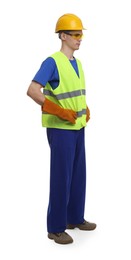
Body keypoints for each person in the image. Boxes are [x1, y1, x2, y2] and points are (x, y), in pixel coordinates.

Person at [27, 13, 96, 245]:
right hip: (61, 129)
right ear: (63, 36)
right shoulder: (52, 62)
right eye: (75, 34)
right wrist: (59, 112)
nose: (80, 38)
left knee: (78, 174)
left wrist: (84, 107)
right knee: (61, 177)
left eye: (81, 34)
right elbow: (33, 90)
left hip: (78, 127)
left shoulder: (78, 63)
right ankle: (55, 228)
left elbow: (74, 93)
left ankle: (74, 218)